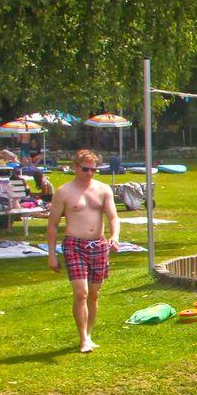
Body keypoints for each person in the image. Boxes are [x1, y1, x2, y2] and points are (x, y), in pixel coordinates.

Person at [46, 148, 120, 353]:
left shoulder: (103, 189)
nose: (90, 173)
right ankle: (83, 340)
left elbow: (113, 216)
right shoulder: (64, 192)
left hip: (99, 245)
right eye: (86, 169)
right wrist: (51, 255)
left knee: (94, 294)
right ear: (75, 167)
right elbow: (52, 225)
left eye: (93, 170)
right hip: (74, 245)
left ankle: (89, 334)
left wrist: (115, 236)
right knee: (81, 292)